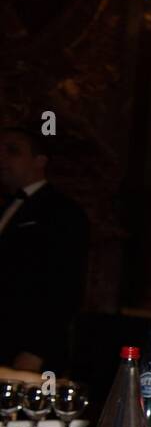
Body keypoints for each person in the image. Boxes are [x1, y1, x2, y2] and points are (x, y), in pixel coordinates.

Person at [0, 125, 89, 373]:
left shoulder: (61, 211)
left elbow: (65, 285)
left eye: (12, 151)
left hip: (25, 349)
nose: (2, 158)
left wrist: (35, 350)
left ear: (40, 161)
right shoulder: (7, 206)